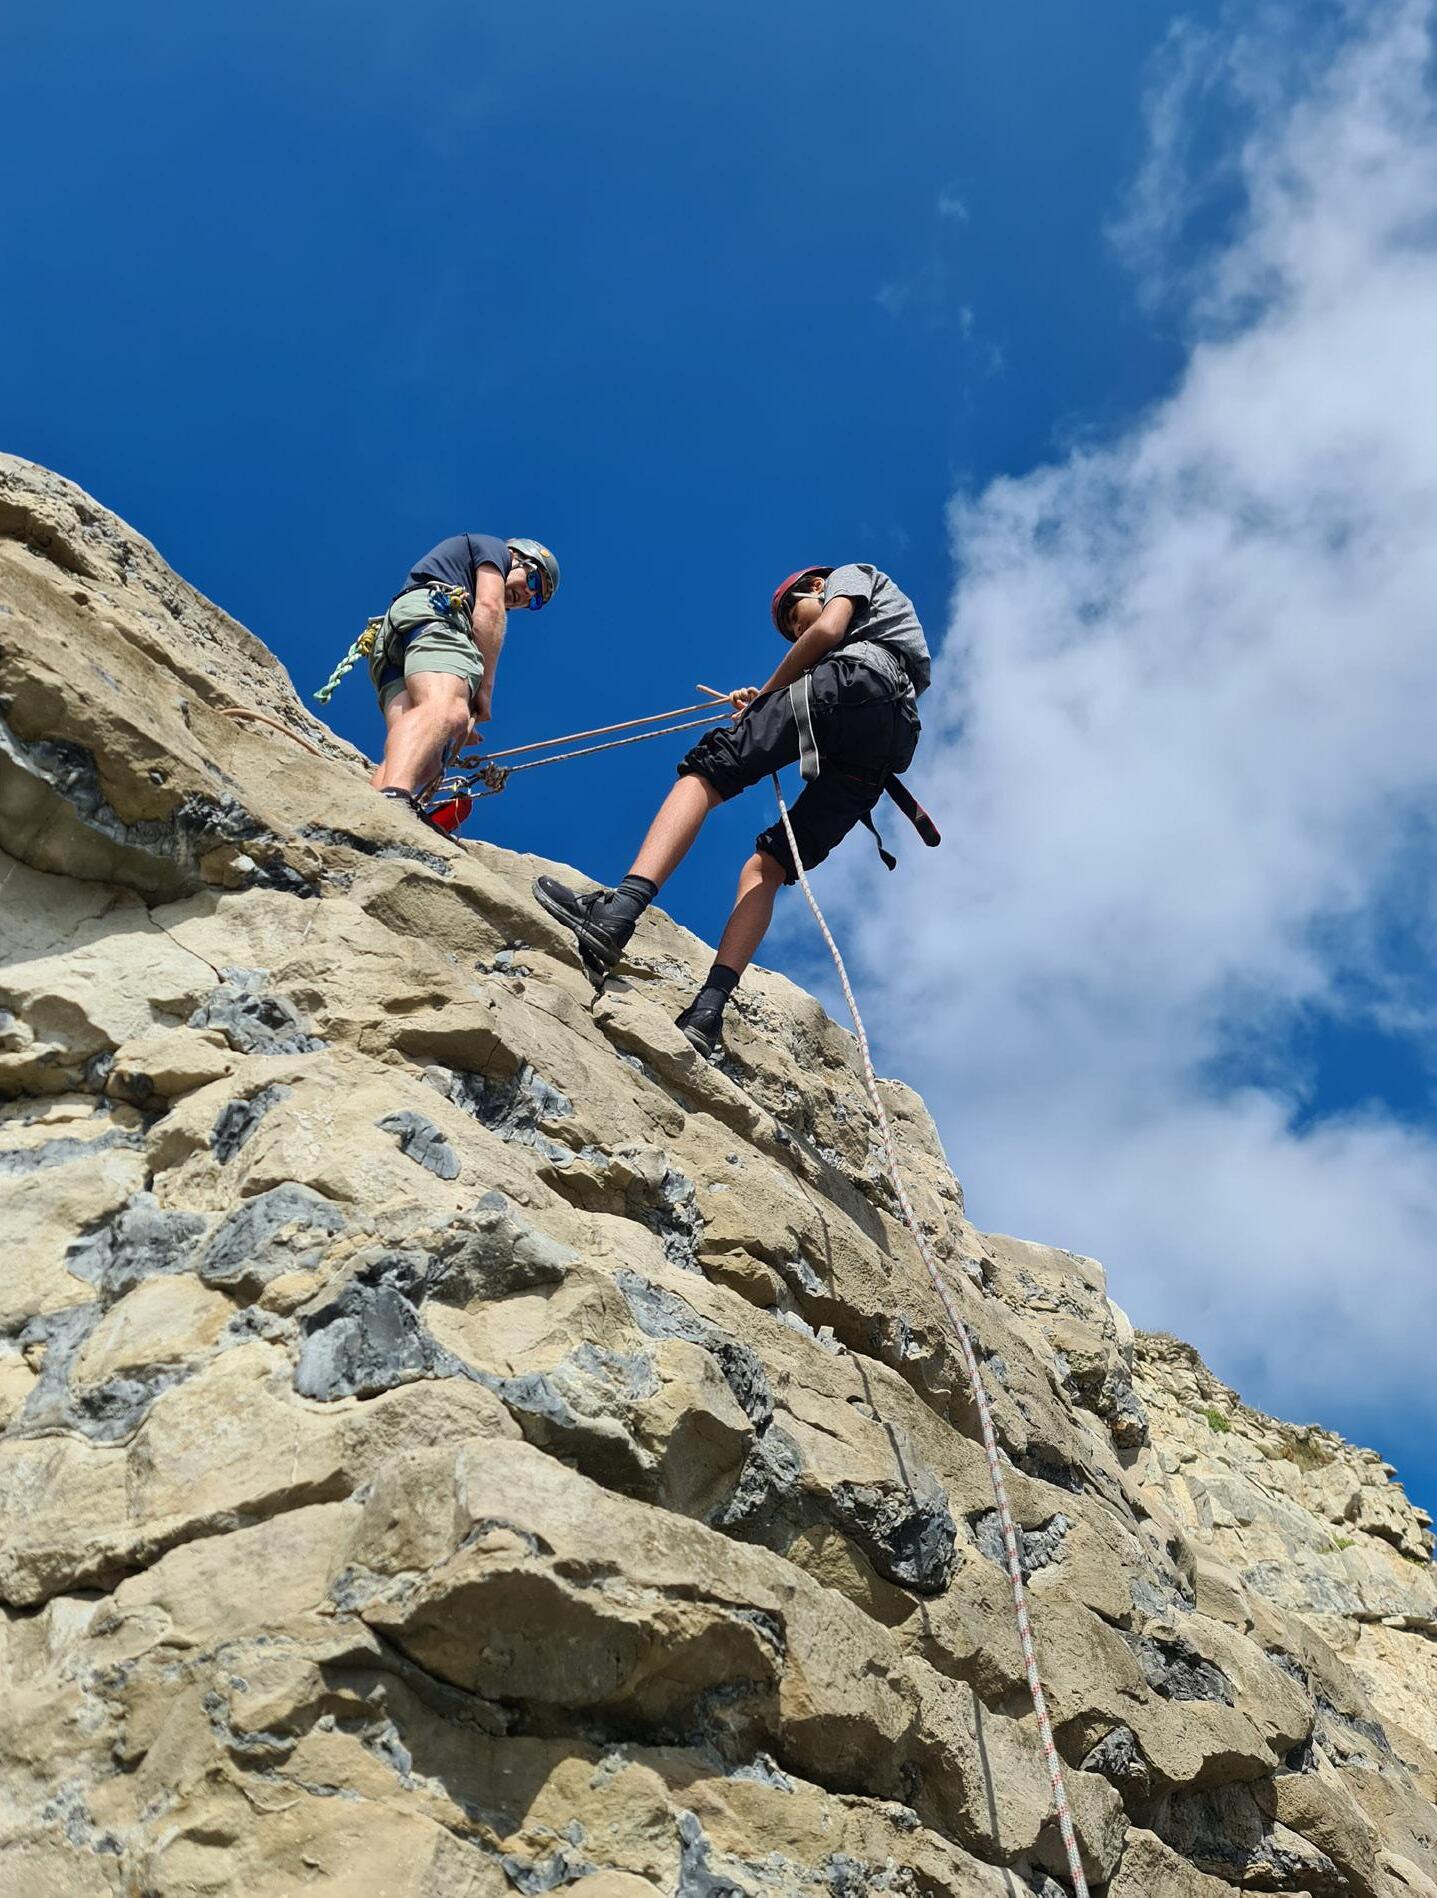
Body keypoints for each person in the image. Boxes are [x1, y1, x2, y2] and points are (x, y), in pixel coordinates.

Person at [533, 563, 933, 1056]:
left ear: (816, 587)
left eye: (796, 620)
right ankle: (708, 1012)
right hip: (887, 741)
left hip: (852, 683)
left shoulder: (852, 575)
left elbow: (828, 631)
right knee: (769, 865)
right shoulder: (890, 637)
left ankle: (618, 913)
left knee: (705, 774)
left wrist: (765, 698)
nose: (799, 632)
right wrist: (772, 698)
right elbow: (834, 668)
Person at [365, 534, 560, 824]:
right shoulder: (494, 549)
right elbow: (490, 608)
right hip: (436, 615)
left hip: (398, 637)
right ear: (514, 556)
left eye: (536, 601)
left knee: (427, 759)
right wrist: (482, 690)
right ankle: (394, 799)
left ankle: (372, 806)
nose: (528, 595)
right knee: (448, 709)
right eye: (532, 580)